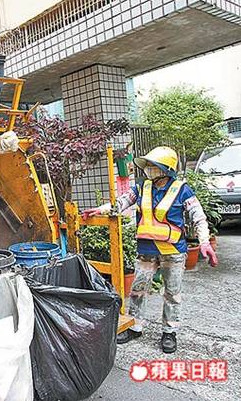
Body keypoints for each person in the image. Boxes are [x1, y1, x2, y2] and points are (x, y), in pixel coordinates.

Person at [82, 146, 218, 354]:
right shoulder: (141, 187)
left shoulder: (182, 189)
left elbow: (198, 217)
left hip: (173, 251)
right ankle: (135, 326)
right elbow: (121, 202)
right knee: (137, 289)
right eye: (148, 165)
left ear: (166, 168)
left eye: (153, 165)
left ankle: (169, 332)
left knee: (172, 293)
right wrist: (100, 210)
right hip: (146, 250)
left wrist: (205, 242)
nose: (149, 169)